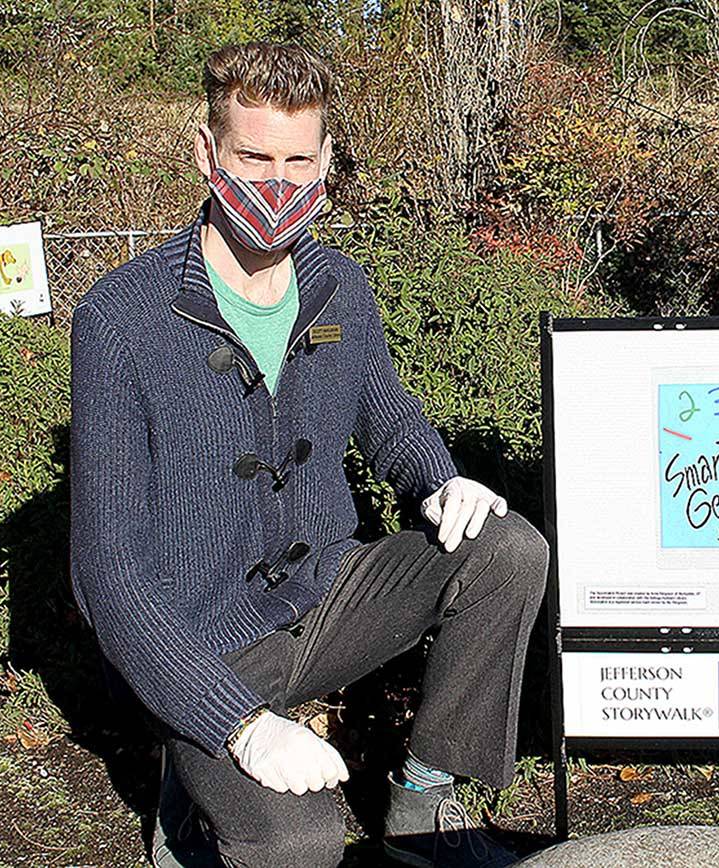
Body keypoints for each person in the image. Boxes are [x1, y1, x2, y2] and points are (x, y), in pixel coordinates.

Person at [68, 40, 549, 868]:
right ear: (206, 151)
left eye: (298, 160)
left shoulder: (338, 286)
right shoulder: (120, 319)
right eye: (253, 157)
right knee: (303, 844)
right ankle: (194, 792)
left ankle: (425, 800)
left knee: (508, 550)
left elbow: (388, 417)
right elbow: (106, 577)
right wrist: (239, 725)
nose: (277, 184)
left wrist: (438, 481)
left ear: (327, 159)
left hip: (327, 600)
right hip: (204, 642)